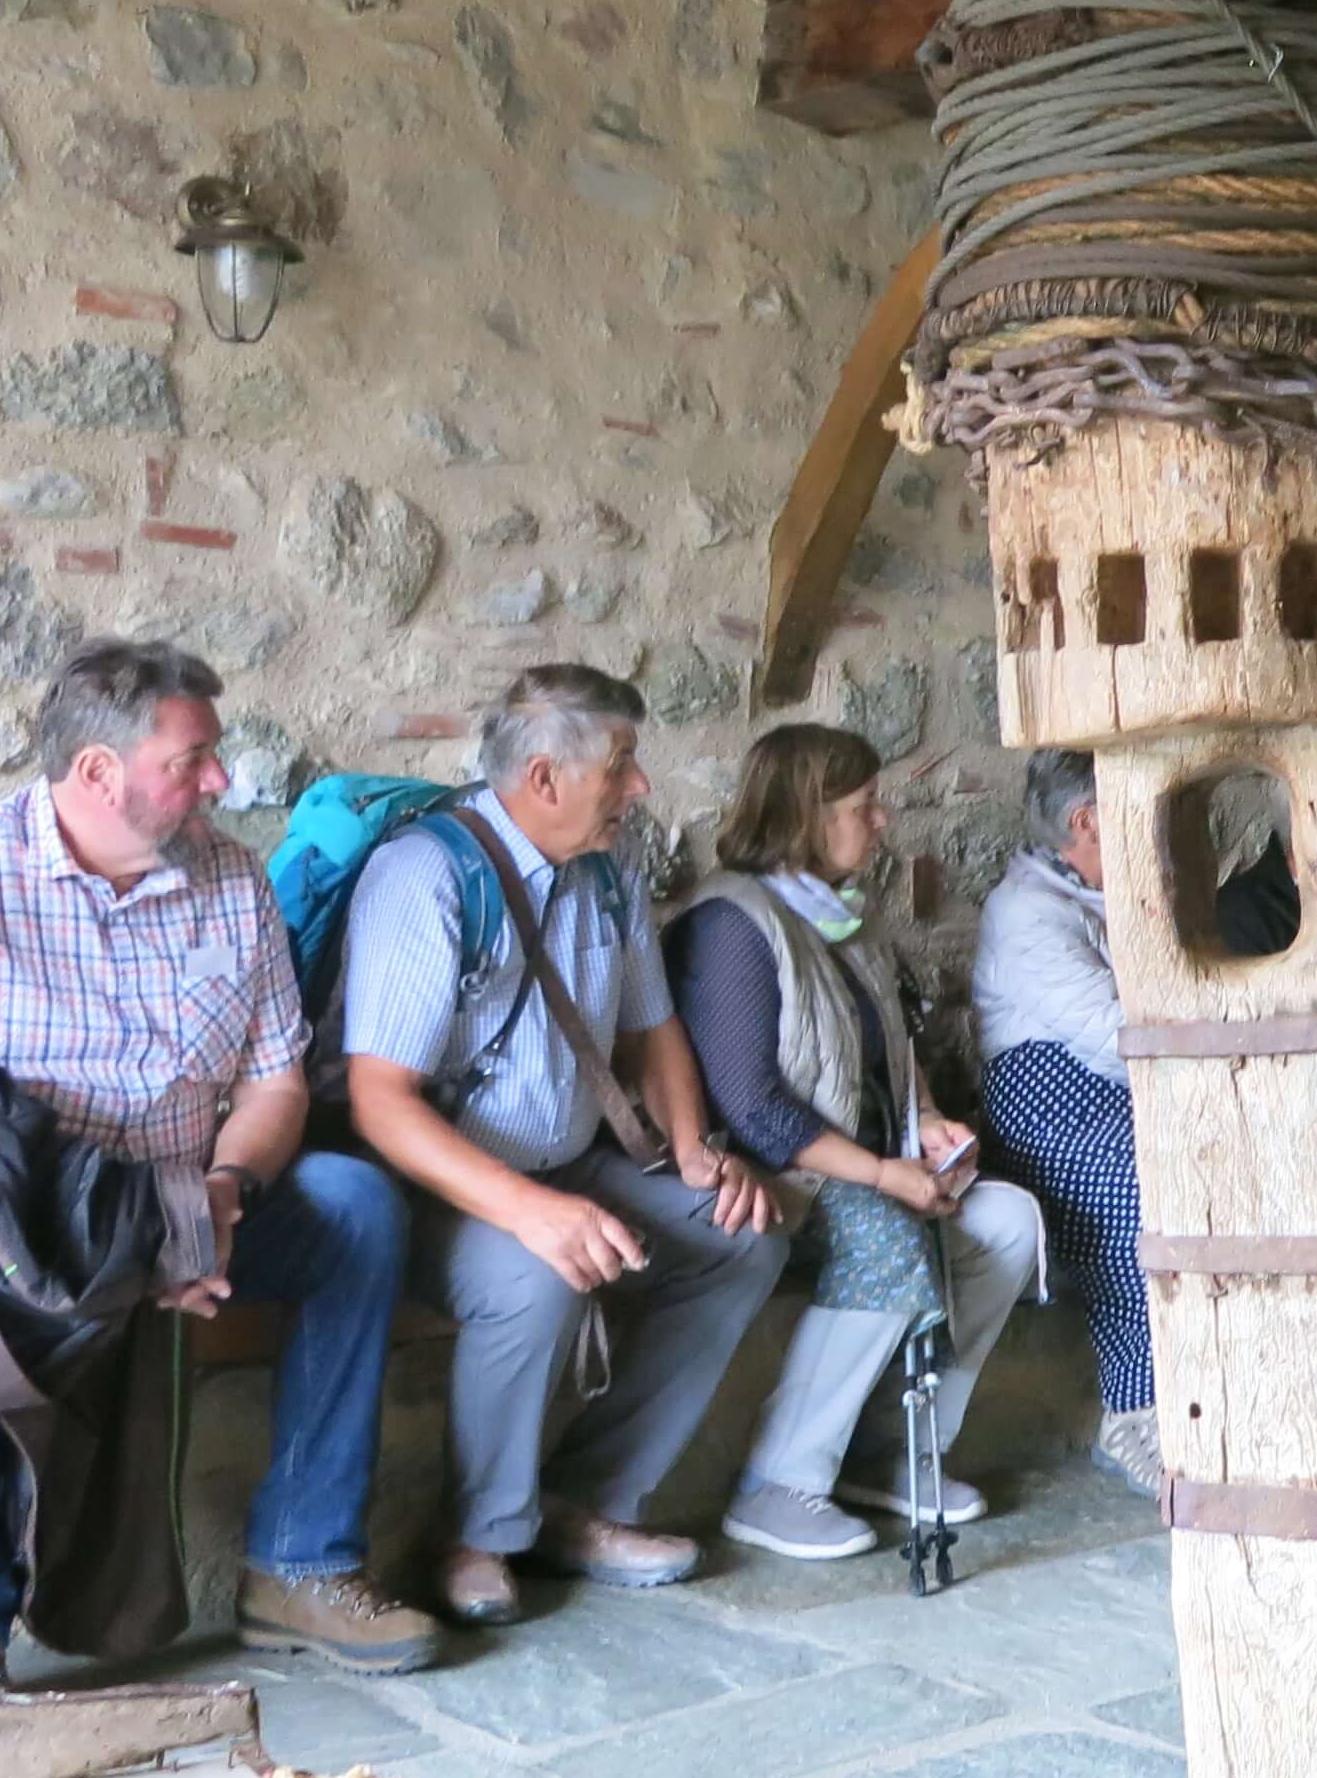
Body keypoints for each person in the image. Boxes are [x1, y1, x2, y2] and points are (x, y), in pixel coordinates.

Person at [0, 638, 431, 1689]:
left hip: (198, 1198)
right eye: (192, 759)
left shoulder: (232, 877)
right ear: (98, 772)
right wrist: (124, 1229)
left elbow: (275, 1087)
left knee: (354, 1206)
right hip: (21, 1208)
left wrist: (219, 1197)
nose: (220, 780)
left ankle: (301, 1563)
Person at [338, 664, 784, 1621]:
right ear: (544, 778)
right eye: (620, 765)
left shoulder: (610, 871)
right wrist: (531, 1212)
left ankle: (585, 1503)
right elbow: (380, 1102)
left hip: (571, 1164)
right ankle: (479, 1537)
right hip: (435, 1186)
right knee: (537, 1273)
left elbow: (653, 1027)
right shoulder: (426, 877)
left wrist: (694, 1150)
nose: (640, 785)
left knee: (741, 1239)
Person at [668, 725, 1034, 1558]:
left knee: (1007, 1223)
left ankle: (894, 1450)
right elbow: (753, 1108)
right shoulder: (731, 925)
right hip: (778, 1178)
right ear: (807, 814)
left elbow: (890, 1051)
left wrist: (927, 1121)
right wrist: (879, 1173)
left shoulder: (847, 918)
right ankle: (779, 1481)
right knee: (883, 1238)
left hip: (872, 1167)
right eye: (863, 806)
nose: (882, 820)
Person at [971, 752, 1161, 1499]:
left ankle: (1222, 1391)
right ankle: (1134, 1413)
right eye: (1127, 810)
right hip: (1049, 1114)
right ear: (1086, 822)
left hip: (1123, 1100)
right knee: (1141, 1190)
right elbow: (1115, 1035)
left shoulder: (1107, 894)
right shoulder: (1026, 911)